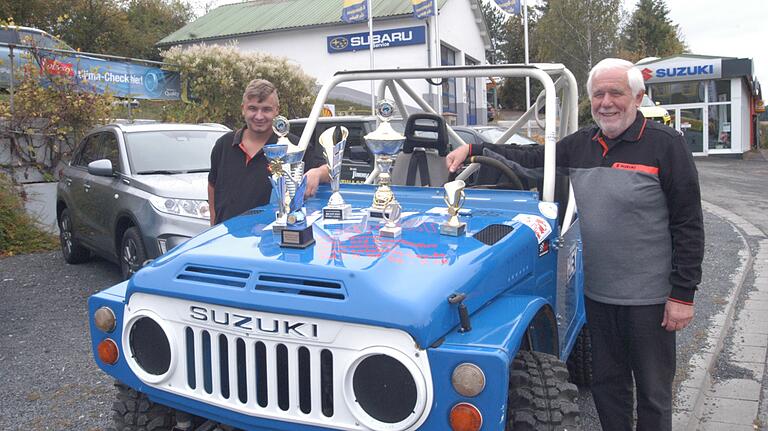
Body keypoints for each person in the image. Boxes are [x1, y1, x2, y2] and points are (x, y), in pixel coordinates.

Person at [446, 58, 704, 431]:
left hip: (650, 300)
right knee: (608, 387)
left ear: (638, 97)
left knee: (653, 393)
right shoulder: (582, 144)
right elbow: (533, 158)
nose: (606, 102)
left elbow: (689, 224)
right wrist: (473, 150)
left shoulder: (666, 146)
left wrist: (683, 294)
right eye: (598, 94)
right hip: (599, 295)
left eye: (616, 92)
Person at [208, 79, 329, 225]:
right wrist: (213, 226)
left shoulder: (293, 146)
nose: (259, 116)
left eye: (266, 109)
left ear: (277, 110)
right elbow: (213, 185)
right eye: (253, 108)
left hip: (270, 241)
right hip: (227, 239)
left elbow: (329, 171)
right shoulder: (224, 144)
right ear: (243, 109)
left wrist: (316, 173)